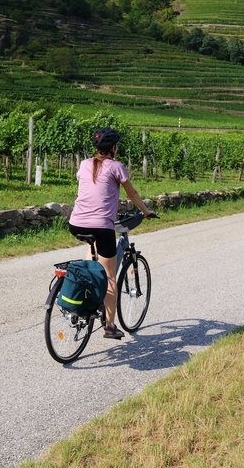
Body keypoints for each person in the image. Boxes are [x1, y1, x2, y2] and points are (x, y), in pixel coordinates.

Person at [68, 127, 155, 340]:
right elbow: (131, 194)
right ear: (113, 148)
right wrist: (146, 211)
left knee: (92, 264)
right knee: (110, 277)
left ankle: (83, 300)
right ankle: (110, 326)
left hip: (76, 223)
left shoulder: (84, 164)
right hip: (100, 225)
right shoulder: (117, 167)